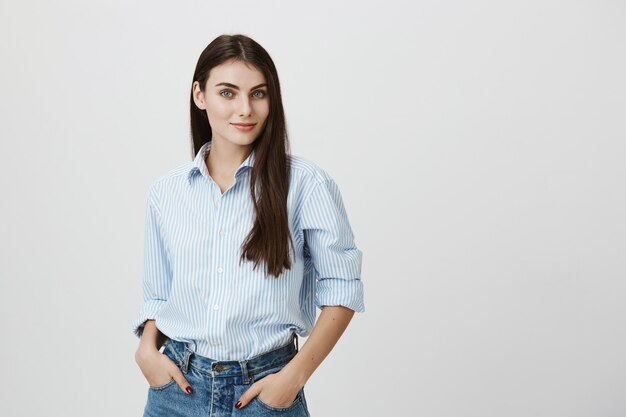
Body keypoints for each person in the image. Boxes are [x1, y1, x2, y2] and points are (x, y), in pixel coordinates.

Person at [132, 33, 365, 417]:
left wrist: (292, 379)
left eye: (258, 93)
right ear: (199, 95)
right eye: (228, 93)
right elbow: (159, 294)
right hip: (176, 392)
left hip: (266, 390)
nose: (245, 109)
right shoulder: (166, 192)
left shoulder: (307, 185)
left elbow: (342, 289)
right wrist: (146, 351)